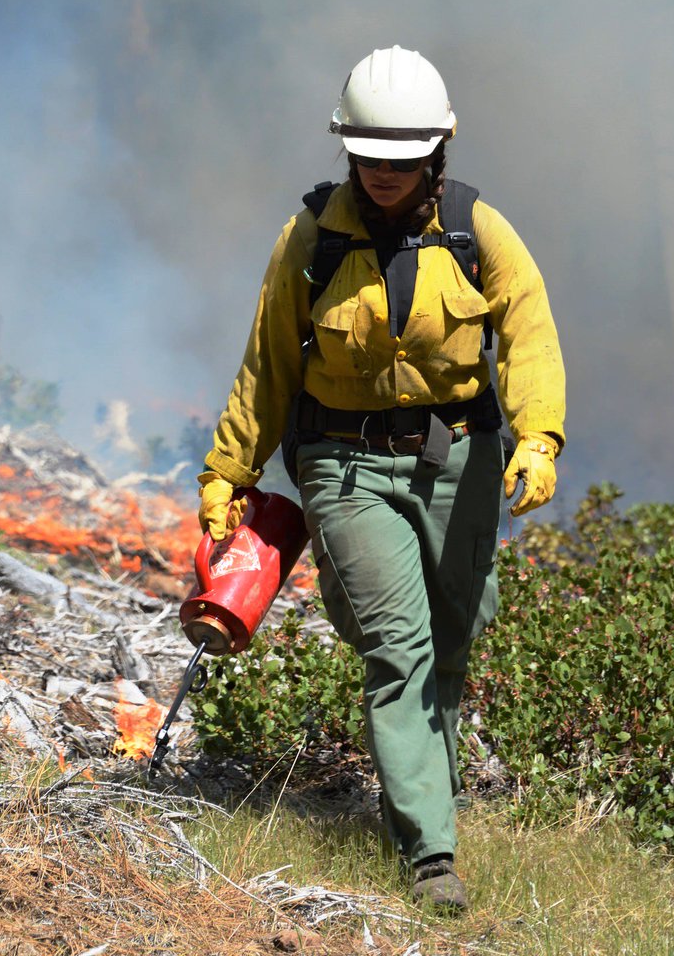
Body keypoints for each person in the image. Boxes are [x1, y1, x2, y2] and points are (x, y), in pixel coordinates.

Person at [197, 45, 566, 910]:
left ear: (435, 151)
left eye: (401, 159)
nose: (383, 173)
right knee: (398, 647)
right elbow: (267, 366)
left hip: (458, 460)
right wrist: (228, 473)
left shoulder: (480, 232)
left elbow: (531, 335)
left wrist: (539, 437)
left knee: (452, 637)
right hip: (344, 464)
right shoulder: (311, 239)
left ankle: (424, 792)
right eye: (367, 156)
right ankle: (431, 856)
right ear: (346, 150)